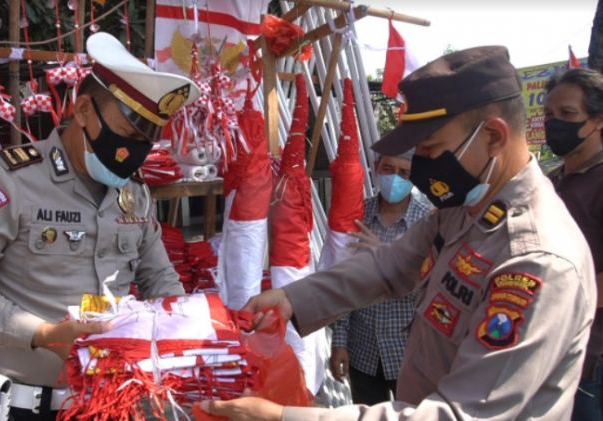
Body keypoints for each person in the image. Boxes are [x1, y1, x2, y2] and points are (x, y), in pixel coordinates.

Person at [199, 46, 597, 420]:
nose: (419, 165)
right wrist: (293, 298)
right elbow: (389, 265)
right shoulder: (463, 210)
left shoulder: (536, 260)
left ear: (492, 137)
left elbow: (459, 414)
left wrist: (286, 416)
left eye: (429, 147)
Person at [0, 32, 198, 420]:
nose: (134, 153)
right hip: (20, 405)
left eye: (145, 141)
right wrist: (42, 334)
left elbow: (161, 280)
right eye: (127, 134)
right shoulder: (7, 180)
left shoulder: (134, 193)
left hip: (112, 402)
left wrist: (188, 328)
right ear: (84, 110)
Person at [330, 151, 430, 405]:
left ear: (414, 176)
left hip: (408, 352)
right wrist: (339, 342)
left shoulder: (428, 221)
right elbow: (344, 281)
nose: (395, 178)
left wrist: (385, 257)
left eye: (404, 173)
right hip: (362, 349)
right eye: (388, 169)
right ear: (376, 168)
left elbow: (431, 286)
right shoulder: (357, 216)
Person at [544, 67, 603, 421]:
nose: (554, 124)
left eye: (567, 115)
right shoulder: (551, 182)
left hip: (591, 357)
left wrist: (557, 304)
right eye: (549, 114)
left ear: (597, 121)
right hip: (550, 348)